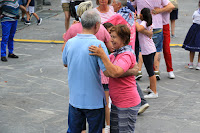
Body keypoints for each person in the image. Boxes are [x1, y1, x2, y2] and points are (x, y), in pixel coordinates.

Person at [62, 9, 109, 133]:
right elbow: (107, 71)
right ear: (97, 25)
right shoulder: (98, 45)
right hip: (94, 101)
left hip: (75, 100)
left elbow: (65, 63)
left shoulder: (70, 43)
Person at [89, 24, 141, 133]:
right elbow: (108, 72)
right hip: (118, 103)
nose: (111, 40)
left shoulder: (125, 55)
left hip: (127, 103)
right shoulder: (115, 54)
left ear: (124, 38)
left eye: (114, 37)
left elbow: (115, 72)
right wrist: (132, 71)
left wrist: (103, 55)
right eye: (110, 36)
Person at [133, 0, 175, 80]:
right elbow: (171, 7)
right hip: (157, 24)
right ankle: (156, 71)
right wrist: (159, 10)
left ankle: (138, 70)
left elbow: (132, 5)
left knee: (141, 49)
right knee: (157, 49)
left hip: (142, 23)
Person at [135, 8, 158, 99]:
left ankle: (154, 91)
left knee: (150, 71)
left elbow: (139, 28)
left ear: (143, 15)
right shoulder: (149, 22)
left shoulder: (144, 23)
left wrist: (134, 20)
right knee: (150, 70)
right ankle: (151, 88)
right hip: (150, 49)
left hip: (147, 50)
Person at [152, 1, 175, 79]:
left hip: (164, 25)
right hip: (154, 26)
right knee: (153, 50)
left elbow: (171, 6)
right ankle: (154, 70)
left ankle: (170, 70)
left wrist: (160, 10)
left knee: (166, 49)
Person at [182, 0, 200, 70]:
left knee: (191, 48)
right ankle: (198, 64)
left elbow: (193, 18)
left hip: (194, 29)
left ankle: (191, 63)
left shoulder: (196, 12)